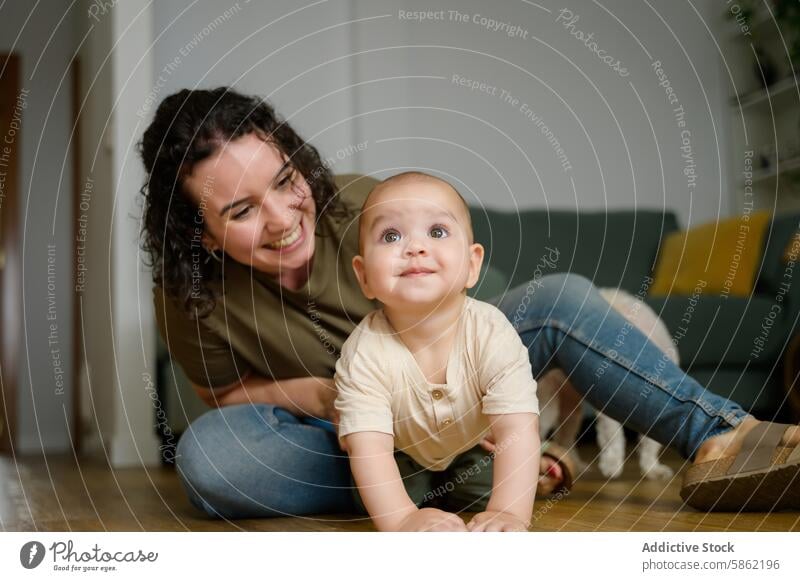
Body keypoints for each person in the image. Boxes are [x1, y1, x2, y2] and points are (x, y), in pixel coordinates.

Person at [140, 87, 800, 521]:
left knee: (560, 298)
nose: (285, 216)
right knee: (209, 462)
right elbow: (219, 390)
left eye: (286, 182)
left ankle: (721, 434)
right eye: (243, 211)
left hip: (453, 386)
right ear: (200, 232)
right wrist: (319, 395)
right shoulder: (189, 294)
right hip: (345, 433)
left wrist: (465, 397)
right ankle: (442, 482)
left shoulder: (369, 206)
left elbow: (481, 307)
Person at [334, 172, 540, 532]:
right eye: (391, 236)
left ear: (472, 265)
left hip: (474, 449)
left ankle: (543, 464)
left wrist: (509, 511)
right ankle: (422, 506)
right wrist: (402, 519)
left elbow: (516, 427)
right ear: (364, 276)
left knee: (505, 480)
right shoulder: (363, 353)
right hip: (399, 458)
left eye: (437, 232)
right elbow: (370, 448)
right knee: (365, 495)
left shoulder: (491, 332)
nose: (415, 247)